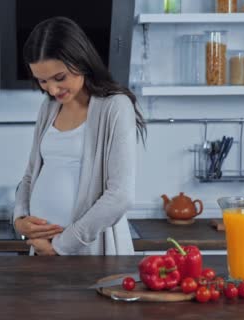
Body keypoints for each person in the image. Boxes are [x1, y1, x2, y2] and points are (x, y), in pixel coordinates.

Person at [13, 17, 146, 256]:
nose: (52, 90)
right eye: (42, 81)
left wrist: (60, 245)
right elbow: (30, 175)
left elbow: (120, 196)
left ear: (81, 61)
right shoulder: (49, 107)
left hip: (89, 250)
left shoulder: (115, 106)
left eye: (60, 77)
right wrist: (20, 219)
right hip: (43, 250)